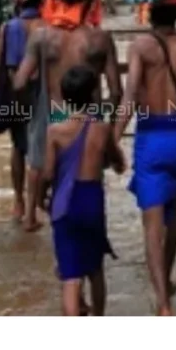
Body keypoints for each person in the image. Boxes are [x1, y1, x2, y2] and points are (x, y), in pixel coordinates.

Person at [13, 0, 123, 232]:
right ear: (87, 4)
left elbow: (19, 82)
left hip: (53, 112)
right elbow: (116, 90)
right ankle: (89, 226)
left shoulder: (41, 37)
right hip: (89, 114)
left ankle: (32, 214)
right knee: (89, 173)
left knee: (40, 165)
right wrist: (111, 126)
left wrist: (32, 107)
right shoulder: (100, 39)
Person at [112, 2, 176, 316]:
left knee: (152, 223)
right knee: (175, 211)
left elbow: (130, 95)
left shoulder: (141, 47)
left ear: (149, 14)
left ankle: (162, 301)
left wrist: (113, 139)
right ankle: (168, 276)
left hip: (151, 135)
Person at [43, 65, 120, 316]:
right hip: (92, 200)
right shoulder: (102, 128)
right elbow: (118, 164)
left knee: (71, 277)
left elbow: (47, 173)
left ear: (64, 97)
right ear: (92, 95)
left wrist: (41, 196)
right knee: (96, 270)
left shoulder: (55, 131)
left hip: (65, 202)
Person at [0, 0, 47, 220]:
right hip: (45, 96)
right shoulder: (48, 26)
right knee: (43, 147)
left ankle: (19, 200)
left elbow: (9, 68)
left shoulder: (14, 27)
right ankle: (38, 200)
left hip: (20, 94)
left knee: (19, 148)